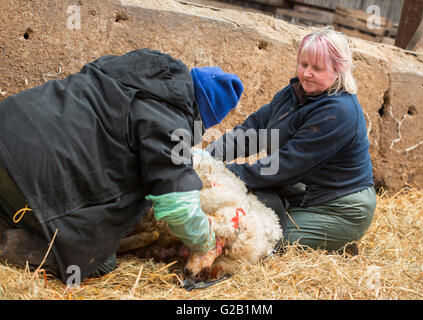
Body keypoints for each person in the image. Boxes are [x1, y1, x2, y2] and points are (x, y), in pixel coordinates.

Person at [0, 48, 243, 282]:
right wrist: (206, 243)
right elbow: (178, 206)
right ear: (200, 115)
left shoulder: (125, 70)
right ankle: (8, 245)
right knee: (99, 263)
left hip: (8, 129)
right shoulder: (171, 120)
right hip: (25, 178)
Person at [205, 27, 376, 255]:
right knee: (238, 213)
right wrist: (207, 159)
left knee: (255, 237)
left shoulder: (339, 112)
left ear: (338, 70)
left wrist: (224, 173)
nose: (306, 73)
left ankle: (337, 237)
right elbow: (254, 129)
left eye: (317, 68)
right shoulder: (294, 93)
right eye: (303, 64)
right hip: (303, 193)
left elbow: (285, 165)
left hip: (339, 208)